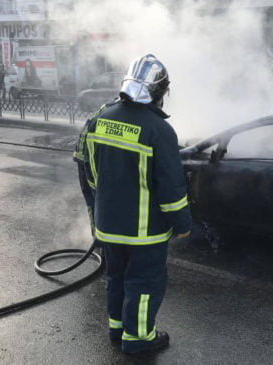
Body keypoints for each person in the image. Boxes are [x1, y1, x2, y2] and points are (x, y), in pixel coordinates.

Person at [74, 54, 192, 353]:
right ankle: (139, 338)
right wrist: (182, 224)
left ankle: (118, 328)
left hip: (108, 224)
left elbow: (88, 168)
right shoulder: (159, 130)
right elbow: (170, 188)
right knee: (144, 281)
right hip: (144, 231)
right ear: (158, 90)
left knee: (116, 276)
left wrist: (100, 207)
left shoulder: (101, 117)